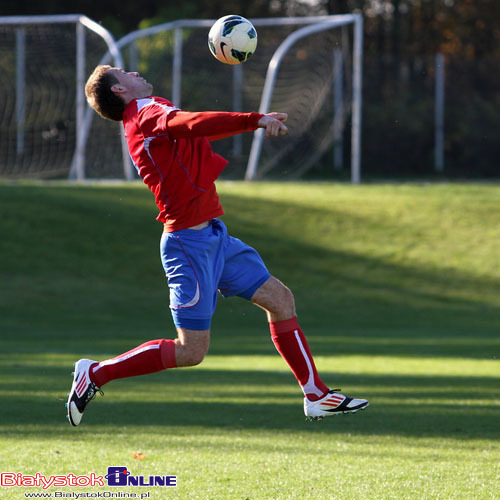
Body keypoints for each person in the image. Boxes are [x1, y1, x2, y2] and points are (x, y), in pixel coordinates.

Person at [66, 65, 369, 426]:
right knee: (191, 351)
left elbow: (194, 125)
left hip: (214, 237)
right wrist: (254, 120)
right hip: (188, 245)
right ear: (119, 90)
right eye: (123, 72)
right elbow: (194, 123)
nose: (133, 71)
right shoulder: (144, 112)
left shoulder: (151, 108)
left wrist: (250, 122)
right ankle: (95, 374)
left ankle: (316, 395)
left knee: (281, 299)